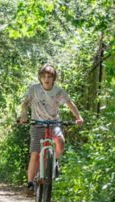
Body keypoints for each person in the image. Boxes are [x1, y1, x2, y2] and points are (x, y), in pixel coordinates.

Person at [19, 63, 84, 195]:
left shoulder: (58, 91)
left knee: (60, 141)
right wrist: (24, 115)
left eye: (49, 76)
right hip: (37, 124)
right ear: (40, 78)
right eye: (44, 76)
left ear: (54, 78)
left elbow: (70, 104)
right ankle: (30, 183)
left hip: (54, 123)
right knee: (35, 154)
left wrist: (78, 117)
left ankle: (53, 161)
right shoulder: (34, 89)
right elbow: (25, 103)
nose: (46, 79)